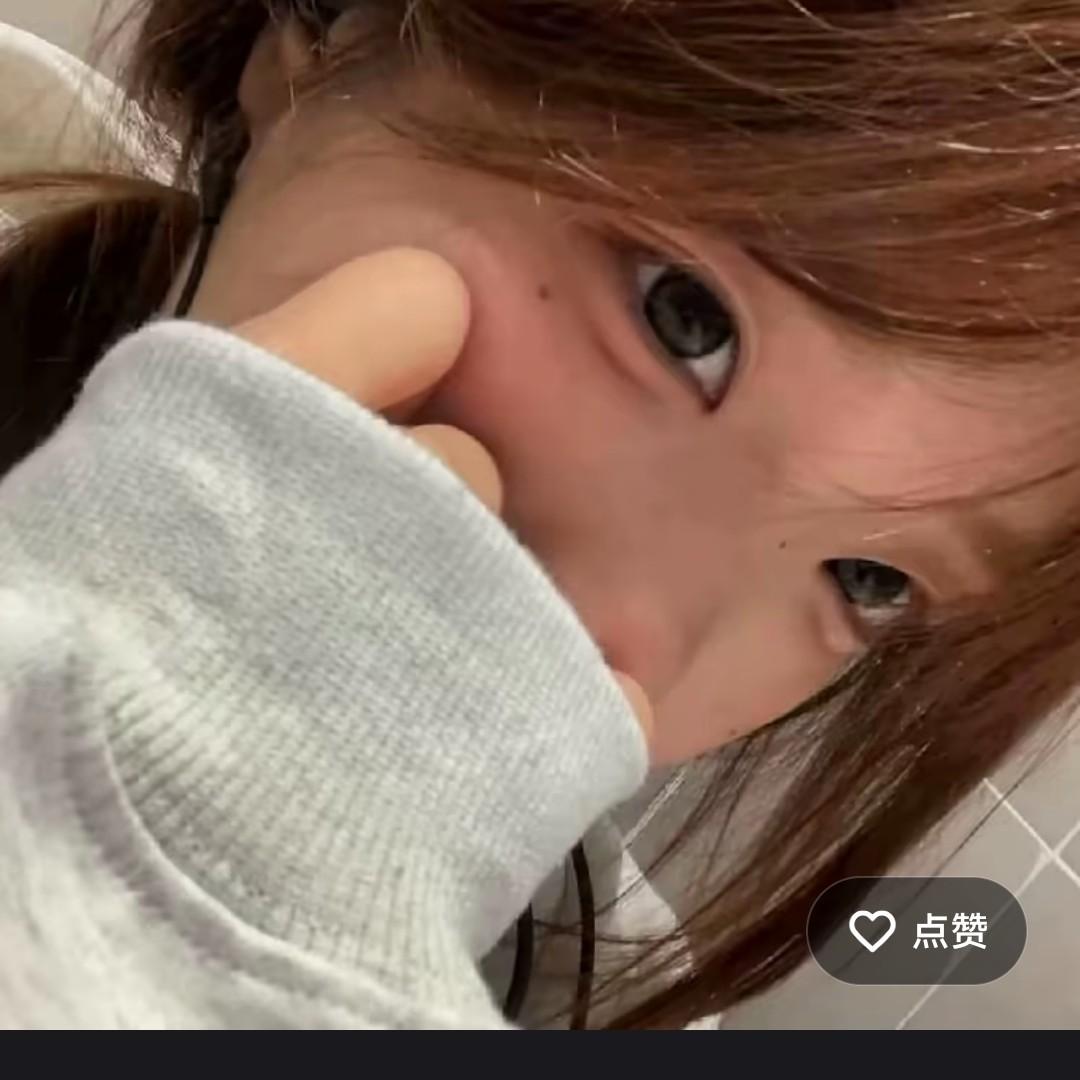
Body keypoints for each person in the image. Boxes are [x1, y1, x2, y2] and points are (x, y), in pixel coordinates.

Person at [2, 0, 1080, 1029]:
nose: (631, 642)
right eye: (683, 316)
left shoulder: (574, 993)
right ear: (321, 41)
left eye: (871, 581)